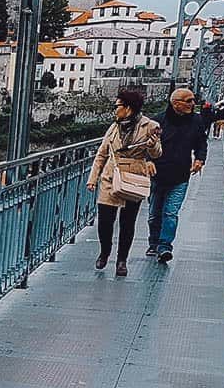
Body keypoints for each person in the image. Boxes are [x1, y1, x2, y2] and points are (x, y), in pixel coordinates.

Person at [87, 89, 162, 276]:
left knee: (128, 222)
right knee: (105, 221)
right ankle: (105, 252)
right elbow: (102, 153)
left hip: (133, 178)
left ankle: (122, 260)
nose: (115, 110)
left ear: (128, 108)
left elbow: (157, 153)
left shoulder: (149, 126)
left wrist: (152, 145)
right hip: (111, 177)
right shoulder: (114, 127)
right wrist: (92, 179)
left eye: (117, 106)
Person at [147, 88, 207, 263]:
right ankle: (154, 243)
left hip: (181, 175)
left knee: (171, 213)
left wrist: (200, 159)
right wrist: (148, 160)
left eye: (193, 100)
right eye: (188, 101)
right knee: (154, 214)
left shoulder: (196, 120)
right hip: (157, 174)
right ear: (176, 103)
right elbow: (145, 145)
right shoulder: (157, 121)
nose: (192, 104)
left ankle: (165, 247)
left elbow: (201, 142)